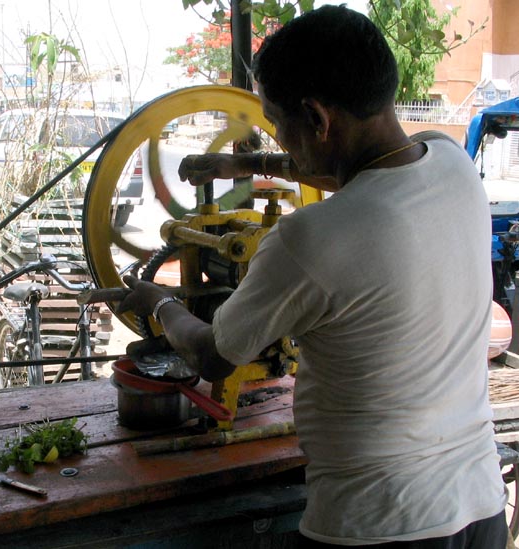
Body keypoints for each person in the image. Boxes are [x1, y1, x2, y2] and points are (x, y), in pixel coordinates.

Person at [117, 5, 509, 547]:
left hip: (376, 526)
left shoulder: (310, 237)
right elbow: (355, 166)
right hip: (481, 509)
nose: (275, 137)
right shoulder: (453, 166)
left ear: (317, 117)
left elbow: (211, 355)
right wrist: (248, 167)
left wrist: (159, 302)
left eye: (277, 124)